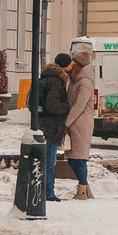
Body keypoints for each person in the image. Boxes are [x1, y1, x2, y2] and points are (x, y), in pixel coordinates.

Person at [61, 43, 99, 200]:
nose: (71, 65)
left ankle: (82, 189)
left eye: (74, 63)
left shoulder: (85, 82)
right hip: (75, 123)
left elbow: (79, 105)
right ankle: (85, 188)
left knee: (79, 158)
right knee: (72, 157)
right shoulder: (76, 80)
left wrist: (66, 123)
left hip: (81, 124)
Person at [35, 52, 74, 201]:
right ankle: (48, 193)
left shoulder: (46, 77)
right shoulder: (56, 81)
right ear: (64, 66)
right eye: (70, 64)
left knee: (46, 161)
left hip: (44, 124)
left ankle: (43, 190)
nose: (71, 66)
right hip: (51, 126)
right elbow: (52, 104)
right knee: (50, 162)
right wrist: (66, 106)